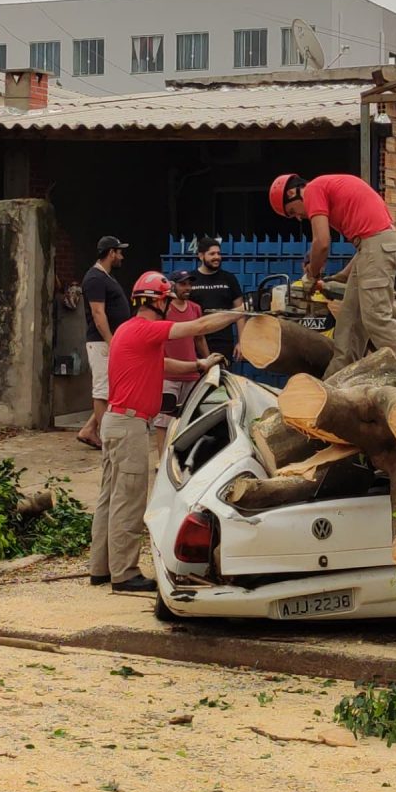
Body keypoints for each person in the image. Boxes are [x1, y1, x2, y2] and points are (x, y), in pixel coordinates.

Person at [89, 271, 238, 592]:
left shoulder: (128, 332)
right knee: (128, 501)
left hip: (116, 422)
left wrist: (200, 365)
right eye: (167, 301)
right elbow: (198, 326)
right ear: (159, 301)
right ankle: (125, 575)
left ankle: (100, 568)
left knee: (109, 498)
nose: (170, 306)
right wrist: (240, 313)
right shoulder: (146, 329)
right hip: (129, 424)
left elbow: (165, 366)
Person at [270, 172, 396, 400]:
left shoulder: (314, 189)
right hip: (371, 247)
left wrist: (312, 276)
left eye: (292, 212)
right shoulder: (330, 189)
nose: (299, 217)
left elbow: (321, 243)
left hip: (377, 246)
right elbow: (365, 248)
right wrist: (338, 278)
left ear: (292, 193)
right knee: (348, 326)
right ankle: (332, 387)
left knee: (376, 317)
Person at [75, 235, 131, 448]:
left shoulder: (105, 277)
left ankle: (89, 429)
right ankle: (108, 439)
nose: (122, 257)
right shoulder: (95, 278)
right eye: (119, 252)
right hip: (102, 343)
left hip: (109, 342)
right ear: (111, 253)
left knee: (112, 389)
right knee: (102, 391)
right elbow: (98, 313)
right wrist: (111, 340)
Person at [156, 270, 205, 447]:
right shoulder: (164, 309)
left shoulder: (195, 308)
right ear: (173, 285)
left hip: (191, 373)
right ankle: (161, 461)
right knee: (163, 421)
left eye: (189, 284)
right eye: (183, 284)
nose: (188, 288)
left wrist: (208, 361)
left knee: (189, 420)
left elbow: (199, 337)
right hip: (168, 375)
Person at [182, 237, 242, 361]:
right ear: (201, 256)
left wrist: (241, 342)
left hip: (223, 342)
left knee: (221, 378)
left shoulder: (229, 279)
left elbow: (240, 313)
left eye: (219, 253)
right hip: (196, 340)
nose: (217, 257)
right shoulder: (190, 280)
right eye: (212, 254)